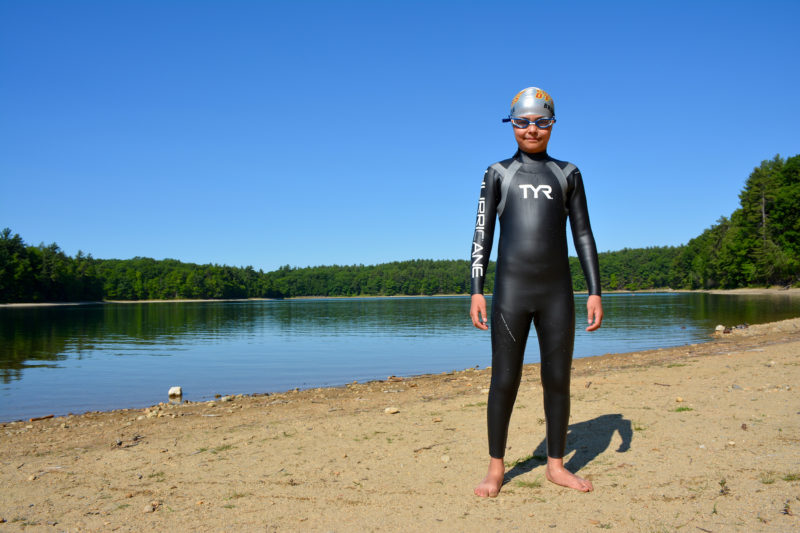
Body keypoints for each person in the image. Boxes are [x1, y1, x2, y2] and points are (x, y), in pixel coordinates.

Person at [469, 87, 603, 498]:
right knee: (503, 380)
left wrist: (594, 290)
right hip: (511, 292)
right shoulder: (498, 173)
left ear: (552, 125)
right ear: (511, 124)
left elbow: (583, 233)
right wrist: (476, 289)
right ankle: (496, 468)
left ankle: (555, 465)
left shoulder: (568, 173)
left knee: (557, 378)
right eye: (523, 122)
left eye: (541, 122)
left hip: (557, 294)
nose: (532, 130)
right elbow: (482, 234)